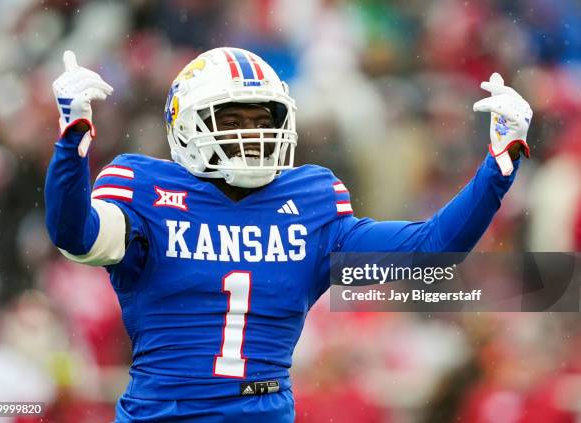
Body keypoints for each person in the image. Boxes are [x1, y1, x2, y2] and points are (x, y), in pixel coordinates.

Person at [45, 47, 532, 422]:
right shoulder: (146, 188)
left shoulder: (311, 200)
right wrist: (72, 138)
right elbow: (76, 234)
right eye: (230, 119)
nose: (251, 133)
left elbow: (429, 251)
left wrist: (497, 166)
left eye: (262, 119)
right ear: (186, 126)